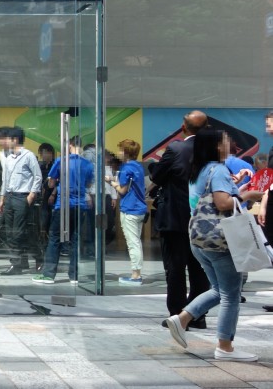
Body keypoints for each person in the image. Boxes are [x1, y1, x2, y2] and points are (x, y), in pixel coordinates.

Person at [164, 129, 258, 362]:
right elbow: (223, 202)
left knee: (219, 289)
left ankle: (182, 319)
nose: (231, 145)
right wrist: (250, 195)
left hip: (200, 239)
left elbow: (210, 199)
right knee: (231, 295)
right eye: (227, 141)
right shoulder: (218, 170)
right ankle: (225, 347)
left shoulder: (201, 170)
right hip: (220, 241)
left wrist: (238, 188)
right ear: (217, 146)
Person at [149, 110, 211, 329]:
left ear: (183, 128)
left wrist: (154, 168)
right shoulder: (212, 152)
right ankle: (197, 315)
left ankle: (178, 315)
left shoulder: (175, 148)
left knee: (175, 269)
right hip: (203, 221)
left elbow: (157, 176)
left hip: (175, 219)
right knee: (200, 269)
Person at [0, 126, 41, 275]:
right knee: (11, 232)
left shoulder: (28, 156)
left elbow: (37, 176)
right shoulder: (8, 157)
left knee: (21, 231)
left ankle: (35, 258)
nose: (3, 142)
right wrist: (3, 198)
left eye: (7, 139)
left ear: (14, 140)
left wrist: (31, 195)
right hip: (9, 196)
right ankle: (17, 263)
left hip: (22, 197)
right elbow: (6, 179)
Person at [32, 135, 94, 285]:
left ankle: (48, 274)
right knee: (74, 239)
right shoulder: (88, 164)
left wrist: (56, 181)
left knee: (54, 239)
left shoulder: (61, 161)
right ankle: (74, 276)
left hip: (63, 205)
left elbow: (51, 183)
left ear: (70, 145)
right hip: (80, 205)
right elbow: (88, 184)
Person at [108, 139, 146, 285]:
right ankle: (136, 273)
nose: (118, 152)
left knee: (133, 243)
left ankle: (136, 275)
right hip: (139, 209)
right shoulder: (138, 167)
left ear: (125, 152)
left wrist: (110, 182)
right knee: (136, 241)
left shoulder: (125, 168)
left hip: (129, 209)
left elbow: (123, 190)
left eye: (120, 150)